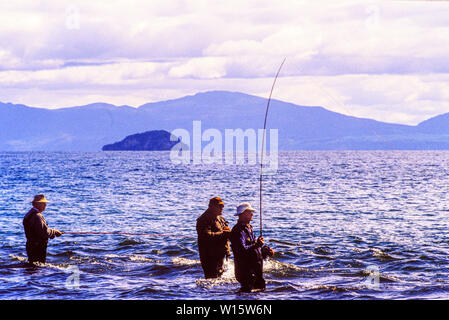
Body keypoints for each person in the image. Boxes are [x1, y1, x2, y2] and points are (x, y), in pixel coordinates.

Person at [230, 202, 274, 292]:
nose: (252, 214)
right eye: (250, 212)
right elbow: (242, 251)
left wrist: (264, 251)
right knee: (247, 294)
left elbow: (253, 249)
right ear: (243, 213)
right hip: (246, 272)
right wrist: (257, 244)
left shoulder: (249, 228)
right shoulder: (238, 231)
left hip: (255, 271)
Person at [196, 197, 232, 279]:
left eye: (222, 206)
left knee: (220, 278)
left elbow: (226, 233)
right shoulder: (203, 220)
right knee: (212, 279)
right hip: (209, 257)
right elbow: (206, 236)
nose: (222, 208)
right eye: (219, 206)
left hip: (220, 254)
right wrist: (223, 234)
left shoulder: (220, 218)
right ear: (211, 207)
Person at [23, 194, 63, 264]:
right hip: (38, 247)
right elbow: (44, 233)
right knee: (39, 267)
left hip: (30, 245)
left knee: (33, 266)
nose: (45, 206)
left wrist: (51, 233)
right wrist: (54, 232)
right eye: (44, 204)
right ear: (37, 204)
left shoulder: (29, 214)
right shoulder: (37, 216)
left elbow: (38, 231)